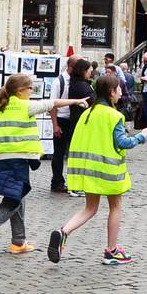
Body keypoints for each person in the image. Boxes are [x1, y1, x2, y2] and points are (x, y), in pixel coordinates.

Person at [0, 73, 85, 258]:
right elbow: (53, 103)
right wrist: (76, 101)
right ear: (21, 90)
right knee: (13, 199)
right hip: (17, 160)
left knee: (17, 195)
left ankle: (18, 242)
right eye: (30, 88)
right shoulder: (26, 106)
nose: (32, 92)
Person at [50, 71, 147, 265]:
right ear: (111, 92)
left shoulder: (87, 113)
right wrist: (142, 136)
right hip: (108, 171)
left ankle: (63, 232)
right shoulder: (115, 116)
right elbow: (123, 142)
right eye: (119, 89)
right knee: (115, 207)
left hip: (87, 170)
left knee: (90, 208)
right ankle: (111, 250)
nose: (121, 92)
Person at [50, 59, 94, 194]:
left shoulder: (78, 82)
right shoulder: (59, 81)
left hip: (74, 120)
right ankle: (57, 182)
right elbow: (53, 104)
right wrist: (55, 125)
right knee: (59, 153)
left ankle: (74, 181)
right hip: (62, 119)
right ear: (71, 67)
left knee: (74, 152)